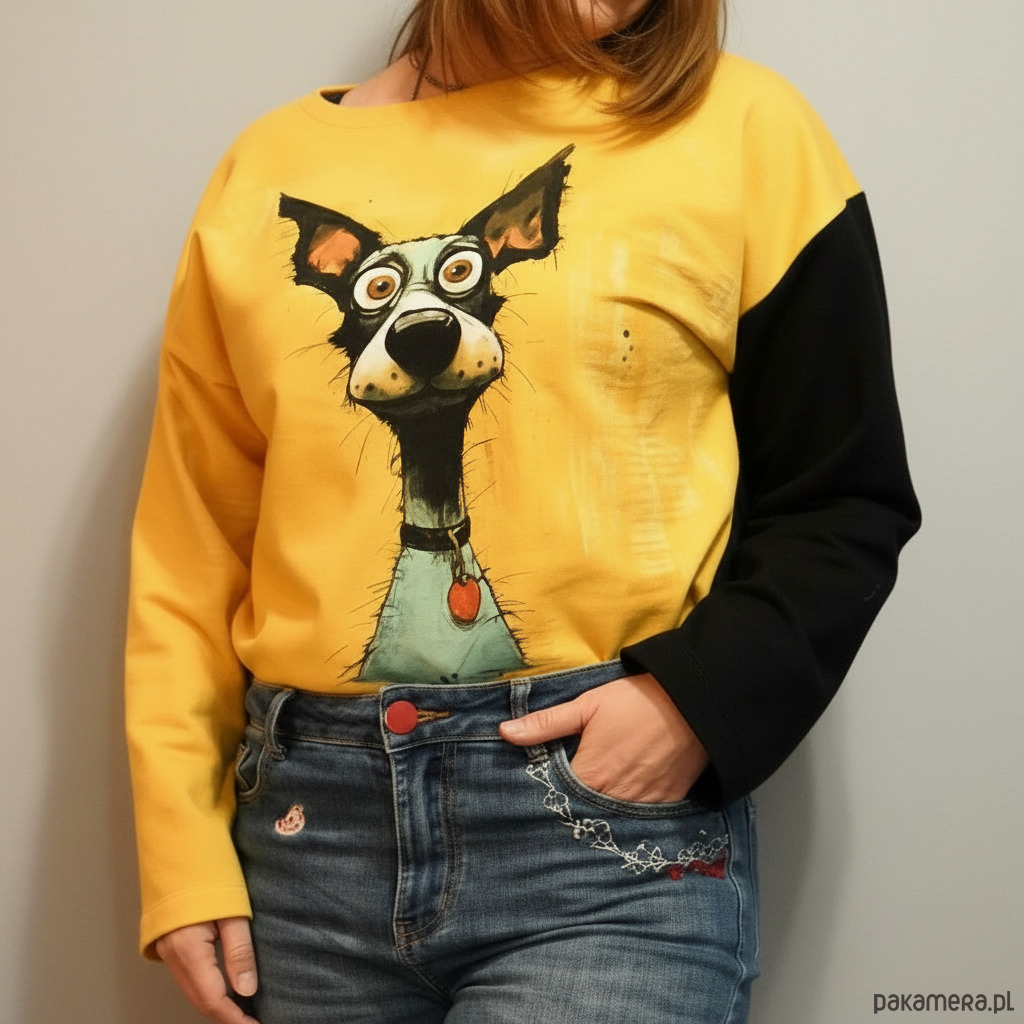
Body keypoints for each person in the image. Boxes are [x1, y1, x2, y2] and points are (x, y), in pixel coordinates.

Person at [125, 1, 921, 1021]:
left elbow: (841, 495)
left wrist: (691, 705)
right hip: (307, 844)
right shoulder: (265, 171)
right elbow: (192, 545)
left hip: (604, 849)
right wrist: (182, 849)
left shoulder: (744, 130)